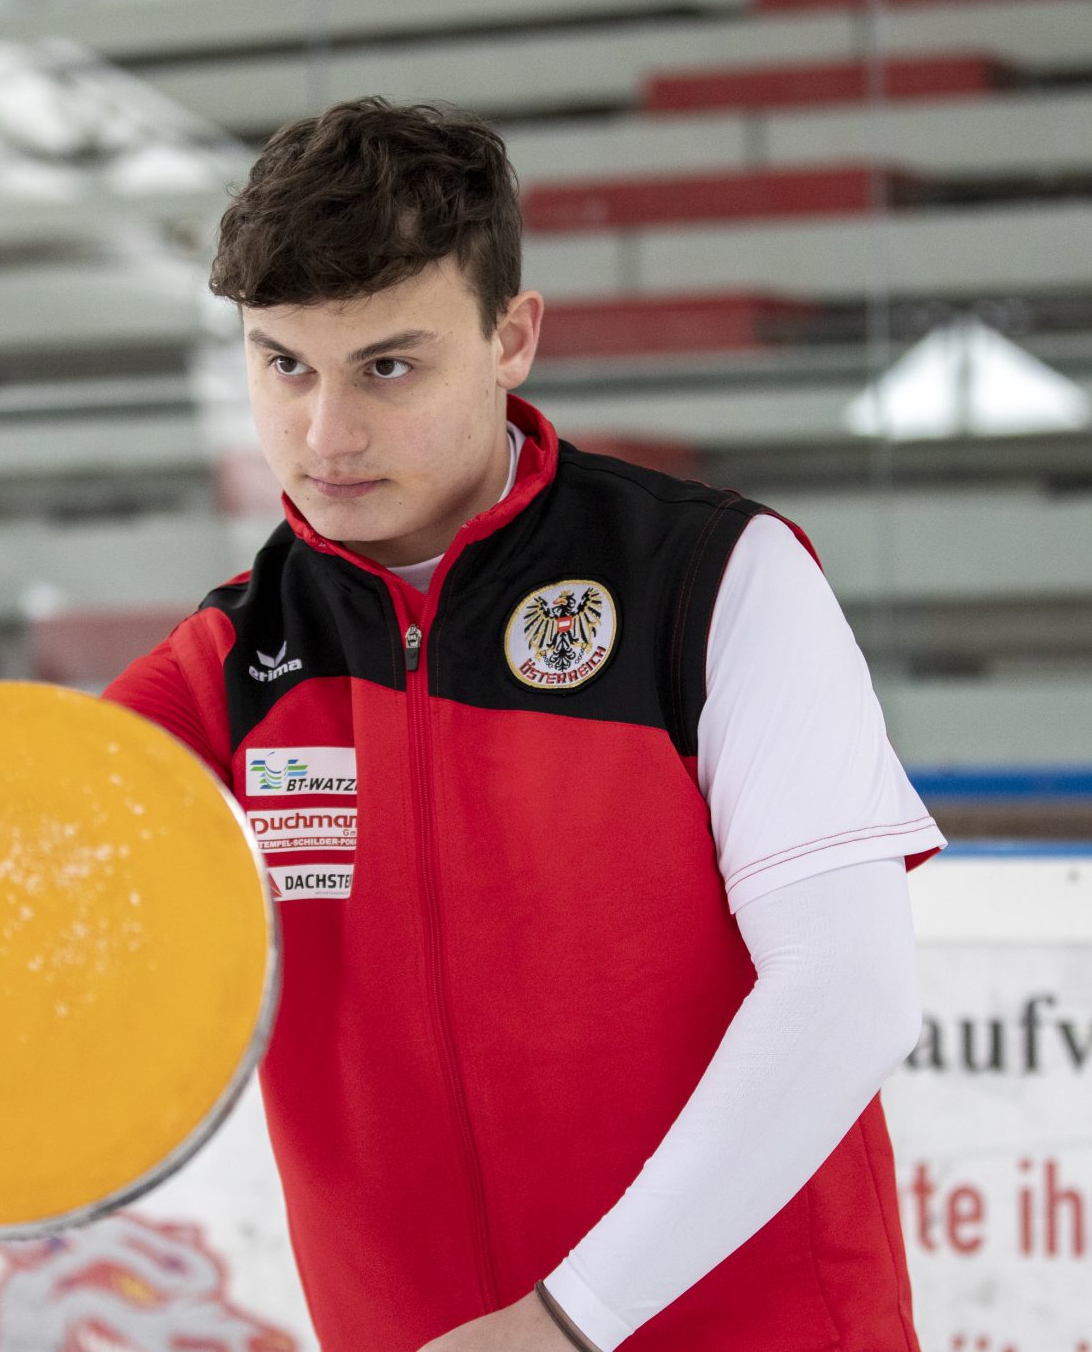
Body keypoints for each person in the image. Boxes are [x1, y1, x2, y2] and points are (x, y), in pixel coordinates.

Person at [105, 96, 944, 1352]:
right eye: (284, 364)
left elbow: (848, 991)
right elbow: (9, 874)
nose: (325, 434)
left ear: (511, 338)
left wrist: (563, 1324)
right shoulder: (229, 658)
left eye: (387, 365)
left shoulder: (715, 578)